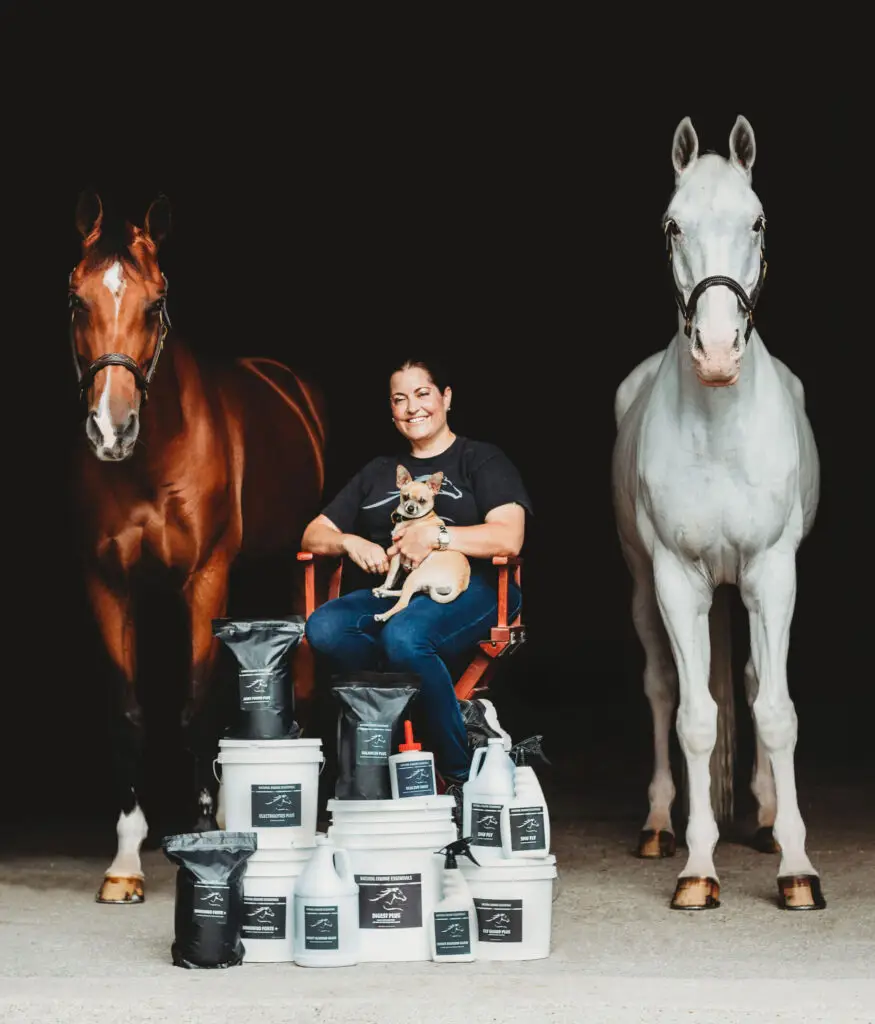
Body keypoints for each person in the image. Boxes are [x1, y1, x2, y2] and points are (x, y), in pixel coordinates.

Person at [301, 357, 532, 818]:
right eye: (400, 399)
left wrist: (439, 536)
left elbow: (509, 536)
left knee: (405, 636)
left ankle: (458, 775)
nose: (413, 408)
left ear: (445, 398)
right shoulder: (379, 471)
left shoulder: (480, 459)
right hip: (397, 590)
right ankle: (413, 720)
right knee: (324, 627)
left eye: (422, 394)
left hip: (474, 590)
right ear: (391, 412)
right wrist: (348, 541)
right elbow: (312, 534)